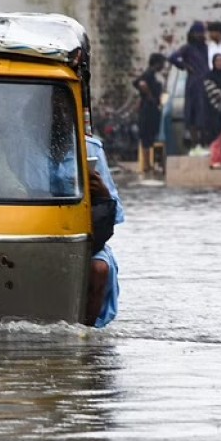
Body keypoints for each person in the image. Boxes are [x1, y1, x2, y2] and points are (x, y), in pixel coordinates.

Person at [85, 136, 124, 329]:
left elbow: (114, 215)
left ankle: (87, 332)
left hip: (85, 239)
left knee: (99, 269)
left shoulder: (90, 148)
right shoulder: (23, 147)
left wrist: (103, 193)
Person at [169, 21, 210, 154]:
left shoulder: (205, 48)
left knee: (205, 115)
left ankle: (204, 144)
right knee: (193, 114)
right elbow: (173, 58)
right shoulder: (187, 48)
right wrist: (185, 66)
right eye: (197, 33)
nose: (199, 35)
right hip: (193, 84)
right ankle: (195, 144)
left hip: (205, 84)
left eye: (201, 33)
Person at [133, 53, 166, 171]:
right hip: (148, 109)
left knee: (152, 136)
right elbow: (139, 83)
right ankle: (147, 164)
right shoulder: (149, 74)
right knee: (147, 136)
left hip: (153, 108)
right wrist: (149, 96)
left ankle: (151, 163)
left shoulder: (154, 75)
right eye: (162, 63)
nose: (163, 66)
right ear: (157, 64)